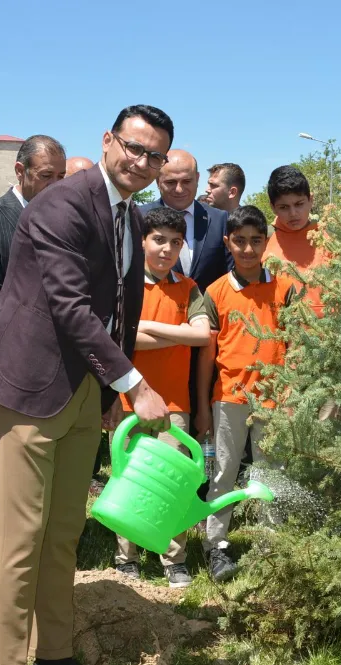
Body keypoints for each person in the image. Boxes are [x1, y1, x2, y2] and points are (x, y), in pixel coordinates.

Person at [0, 105, 174, 665]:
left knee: (62, 533)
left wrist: (110, 390)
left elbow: (121, 314)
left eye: (153, 155)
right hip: (29, 388)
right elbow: (71, 307)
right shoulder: (60, 204)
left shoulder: (132, 216)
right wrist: (136, 386)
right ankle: (8, 658)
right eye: (134, 147)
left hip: (85, 390)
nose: (142, 161)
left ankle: (54, 650)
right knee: (19, 543)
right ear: (108, 141)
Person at [0, 134, 67, 578]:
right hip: (4, 361)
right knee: (0, 464)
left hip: (57, 366)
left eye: (62, 177)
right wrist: (61, 309)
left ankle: (39, 558)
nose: (57, 186)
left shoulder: (66, 221)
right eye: (48, 177)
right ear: (21, 172)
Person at [195, 205, 294, 582]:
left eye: (256, 241)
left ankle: (271, 545)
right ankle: (216, 546)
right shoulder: (217, 291)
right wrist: (205, 405)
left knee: (272, 472)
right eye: (240, 241)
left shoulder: (284, 287)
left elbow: (296, 343)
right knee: (223, 472)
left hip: (275, 397)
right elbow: (207, 355)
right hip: (229, 398)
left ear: (266, 242)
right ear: (228, 243)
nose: (248, 249)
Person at [112, 207, 210, 588]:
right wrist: (176, 330)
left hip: (174, 405)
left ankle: (173, 558)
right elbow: (119, 339)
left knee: (172, 482)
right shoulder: (125, 284)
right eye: (158, 240)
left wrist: (146, 327)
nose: (167, 249)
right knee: (129, 478)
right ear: (142, 241)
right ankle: (127, 555)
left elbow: (203, 336)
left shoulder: (189, 288)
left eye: (175, 241)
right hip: (128, 400)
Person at [140, 149, 230, 293]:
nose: (179, 189)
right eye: (171, 182)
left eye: (187, 181)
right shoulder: (138, 217)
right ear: (157, 181)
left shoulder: (220, 220)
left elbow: (229, 274)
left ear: (198, 178)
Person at [265, 165, 326, 316]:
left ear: (310, 200)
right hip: (277, 333)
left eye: (299, 204)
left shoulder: (329, 239)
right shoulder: (263, 241)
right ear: (273, 207)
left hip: (327, 335)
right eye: (284, 207)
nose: (293, 213)